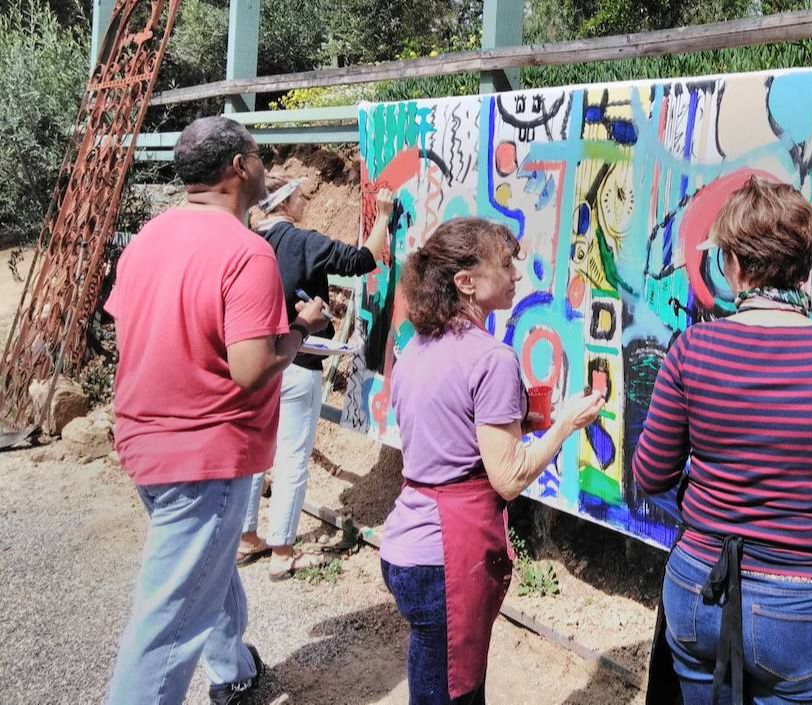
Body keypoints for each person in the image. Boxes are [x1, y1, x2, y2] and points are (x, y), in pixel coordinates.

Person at [633, 177, 812, 705]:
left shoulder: (691, 349)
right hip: (803, 606)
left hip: (699, 586)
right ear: (807, 267)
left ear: (732, 264)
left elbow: (650, 476)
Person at [104, 116, 329, 705]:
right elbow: (251, 370)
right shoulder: (245, 252)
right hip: (205, 453)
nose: (264, 167)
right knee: (166, 627)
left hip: (146, 442)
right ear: (239, 167)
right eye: (259, 156)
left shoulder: (148, 239)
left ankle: (234, 672)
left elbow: (130, 336)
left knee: (208, 564)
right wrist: (301, 330)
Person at [380, 217, 605, 705]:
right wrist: (566, 424)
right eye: (505, 264)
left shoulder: (416, 346)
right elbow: (508, 477)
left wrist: (519, 420)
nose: (516, 274)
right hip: (446, 557)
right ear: (466, 282)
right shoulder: (492, 359)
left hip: (407, 543)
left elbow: (449, 433)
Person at [237, 178, 394, 579]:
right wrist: (384, 217)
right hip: (299, 361)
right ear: (284, 204)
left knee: (256, 453)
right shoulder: (301, 242)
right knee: (291, 457)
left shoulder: (247, 243)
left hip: (254, 364)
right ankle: (282, 551)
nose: (305, 200)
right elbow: (361, 260)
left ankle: (247, 537)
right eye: (299, 196)